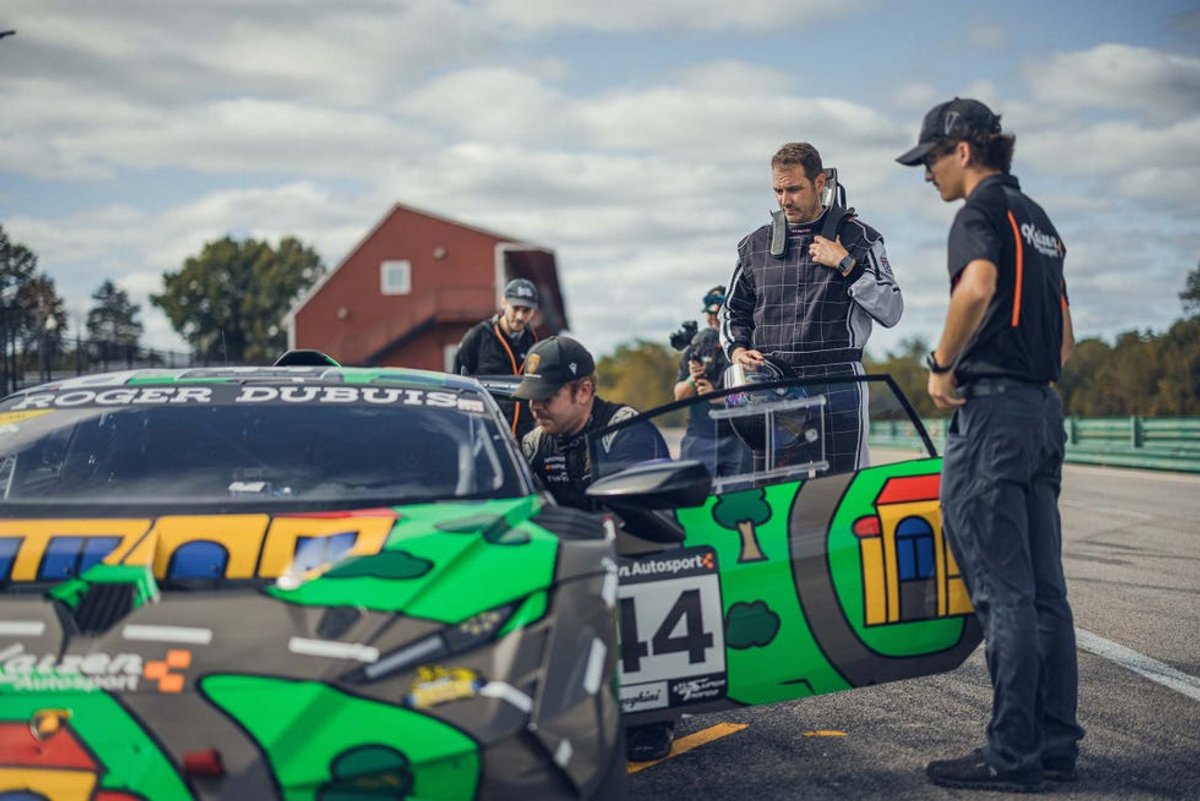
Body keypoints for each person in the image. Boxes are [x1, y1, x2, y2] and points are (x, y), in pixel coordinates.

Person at [897, 97, 1083, 793]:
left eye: (931, 160)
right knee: (1045, 594)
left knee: (1004, 593)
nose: (927, 175)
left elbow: (978, 284)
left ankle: (1012, 754)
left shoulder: (977, 214)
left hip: (995, 413)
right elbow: (1065, 338)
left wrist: (942, 365)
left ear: (965, 151)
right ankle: (1055, 744)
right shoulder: (1041, 222)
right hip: (1042, 410)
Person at [512, 335, 675, 763]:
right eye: (530, 396)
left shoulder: (625, 430)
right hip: (570, 566)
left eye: (545, 396)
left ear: (583, 391)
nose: (534, 406)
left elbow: (647, 521)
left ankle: (651, 715)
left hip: (635, 565)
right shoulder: (533, 443)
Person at [721, 142, 903, 473]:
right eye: (778, 190)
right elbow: (734, 312)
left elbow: (891, 310)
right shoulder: (754, 246)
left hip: (839, 384)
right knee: (774, 505)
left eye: (794, 189)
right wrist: (737, 351)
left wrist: (847, 264)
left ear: (820, 183)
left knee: (843, 496)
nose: (784, 200)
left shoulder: (861, 238)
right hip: (770, 389)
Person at [673, 286, 751, 479]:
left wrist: (717, 397)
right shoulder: (696, 349)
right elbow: (679, 396)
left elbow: (751, 396)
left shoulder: (739, 350)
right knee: (695, 499)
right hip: (699, 437)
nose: (714, 319)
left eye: (718, 314)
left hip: (737, 438)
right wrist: (693, 377)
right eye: (710, 314)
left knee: (738, 498)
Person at [454, 277, 541, 439]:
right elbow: (456, 383)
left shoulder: (535, 342)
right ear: (503, 303)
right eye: (516, 308)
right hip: (486, 434)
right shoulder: (478, 337)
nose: (520, 316)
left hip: (525, 437)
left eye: (527, 310)